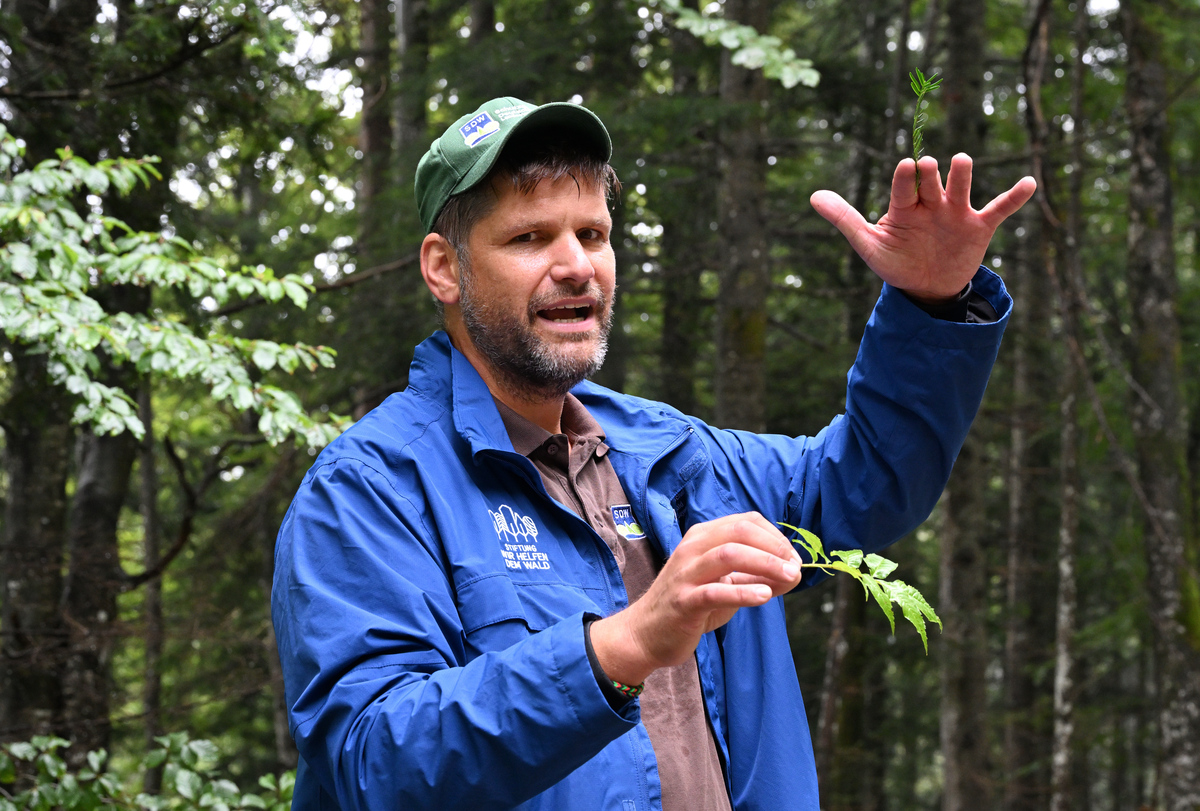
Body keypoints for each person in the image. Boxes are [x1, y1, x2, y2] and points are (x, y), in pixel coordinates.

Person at [272, 96, 1036, 811]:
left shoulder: (671, 453)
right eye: (530, 237)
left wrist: (932, 305)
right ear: (444, 267)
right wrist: (620, 647)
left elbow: (865, 484)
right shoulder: (371, 488)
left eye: (593, 234)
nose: (576, 264)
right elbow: (369, 762)